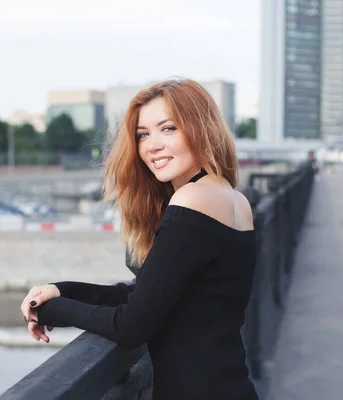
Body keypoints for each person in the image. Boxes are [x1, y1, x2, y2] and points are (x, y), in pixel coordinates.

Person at [20, 78, 259, 399]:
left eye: (168, 128)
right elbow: (146, 294)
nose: (152, 145)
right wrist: (62, 291)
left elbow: (132, 325)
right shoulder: (232, 197)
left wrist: (51, 312)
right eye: (143, 134)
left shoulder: (193, 199)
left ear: (201, 128)